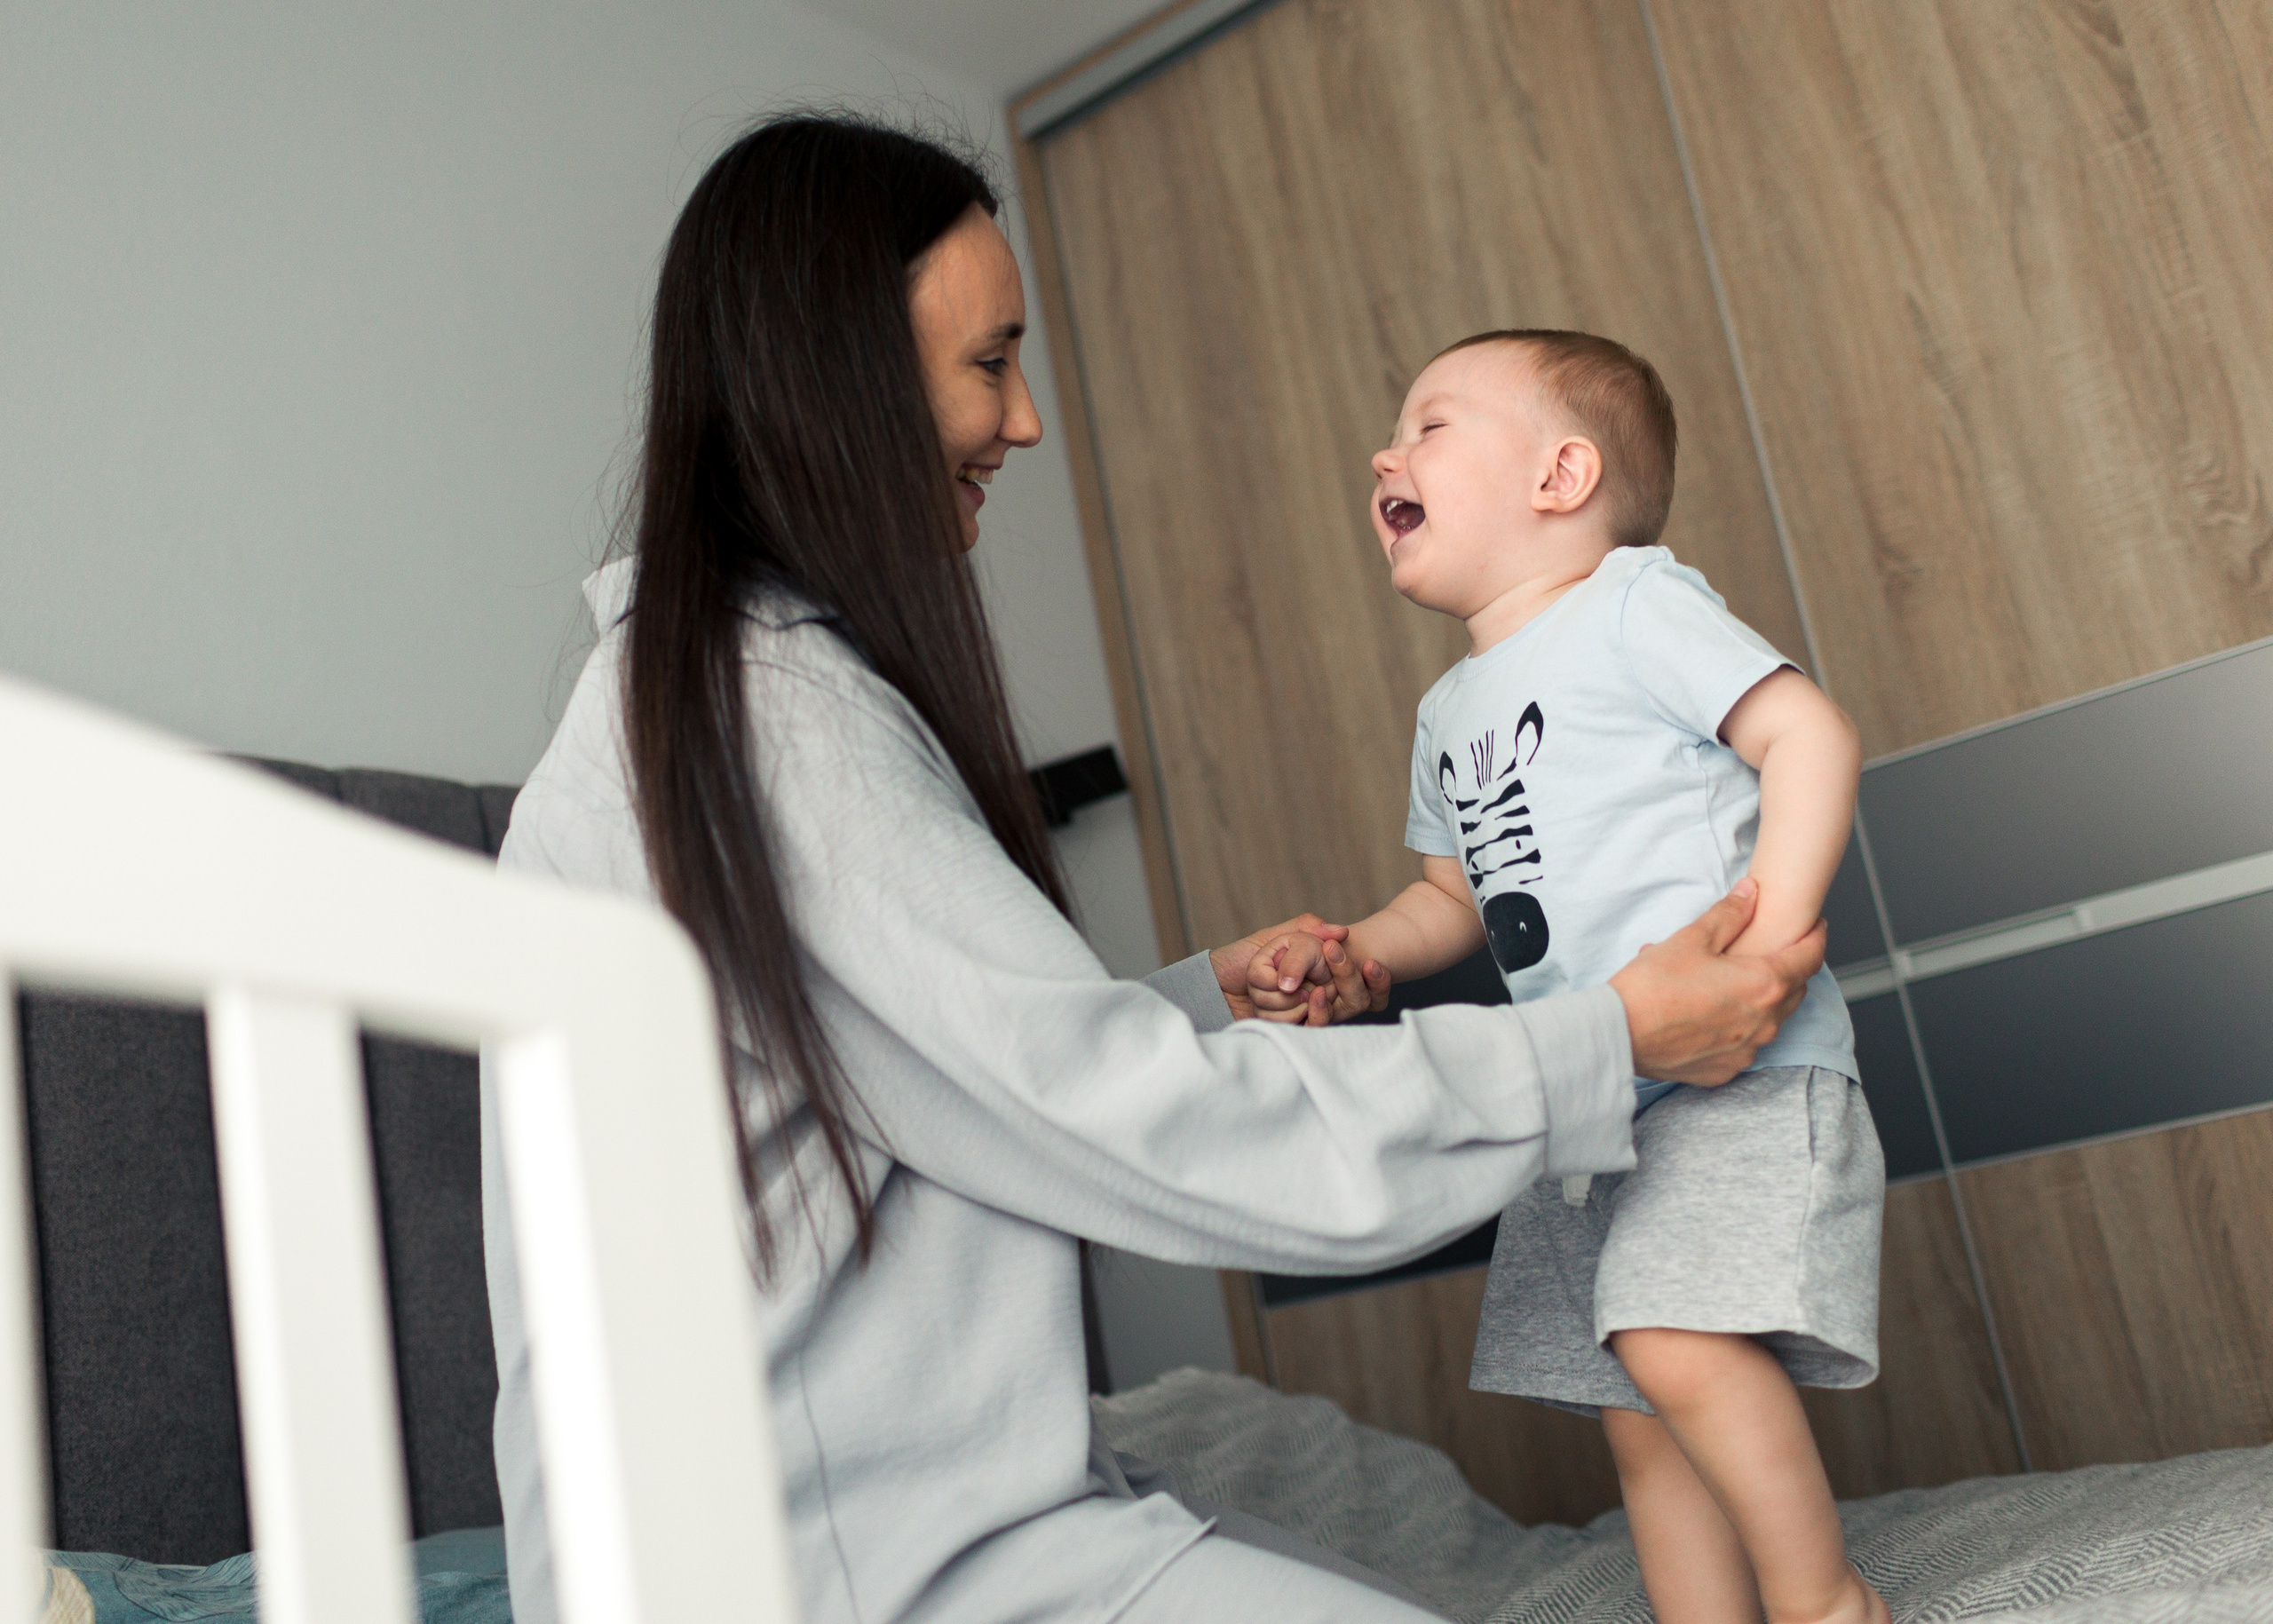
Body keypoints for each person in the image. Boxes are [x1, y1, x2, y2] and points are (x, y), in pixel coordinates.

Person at [480, 115, 1826, 1624]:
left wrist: (1192, 1003)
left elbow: (934, 1070)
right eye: (993, 361)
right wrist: (1611, 1039)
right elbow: (1127, 1125)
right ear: (843, 370)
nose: (1030, 418)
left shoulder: (733, 698)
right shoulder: (766, 717)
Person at [1247, 330, 1885, 1624]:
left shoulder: (1636, 605)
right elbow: (1451, 900)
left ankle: (1827, 1604)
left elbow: (1807, 731)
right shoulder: (1449, 711)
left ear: (1562, 474)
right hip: (1592, 1099)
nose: (1386, 451)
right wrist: (1365, 956)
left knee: (1668, 1337)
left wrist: (1767, 951)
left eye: (1430, 424)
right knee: (1635, 1407)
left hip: (1730, 1072)